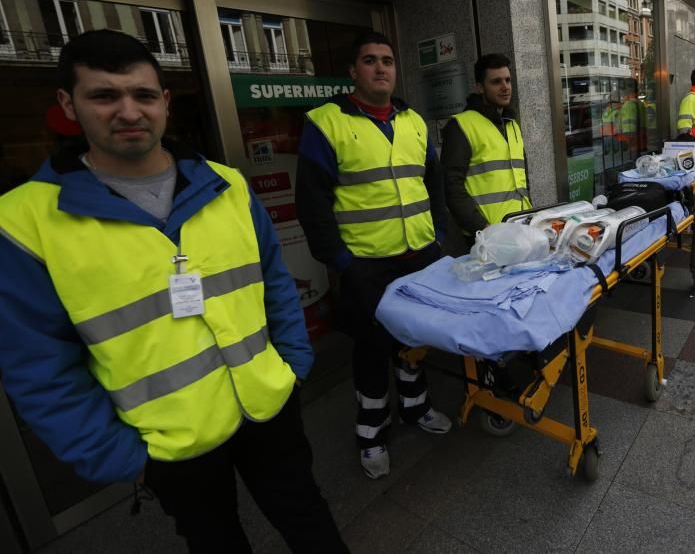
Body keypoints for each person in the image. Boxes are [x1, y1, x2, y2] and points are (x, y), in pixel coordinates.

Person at [0, 30, 345, 553]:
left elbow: (275, 282)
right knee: (215, 542)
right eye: (104, 96)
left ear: (165, 103)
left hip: (268, 404)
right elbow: (38, 366)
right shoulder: (26, 222)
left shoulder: (226, 184)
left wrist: (293, 364)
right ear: (69, 105)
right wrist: (120, 457)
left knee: (309, 521)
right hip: (167, 442)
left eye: (142, 95)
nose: (128, 111)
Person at [296, 31, 451, 481]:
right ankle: (371, 436)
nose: (381, 68)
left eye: (387, 60)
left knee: (413, 341)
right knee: (370, 350)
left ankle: (416, 409)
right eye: (369, 60)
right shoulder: (326, 123)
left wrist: (437, 234)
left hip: (419, 256)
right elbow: (312, 204)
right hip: (365, 264)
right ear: (353, 71)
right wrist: (341, 262)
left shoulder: (415, 122)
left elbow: (433, 185)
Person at [441, 53, 531, 240]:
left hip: (521, 227)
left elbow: (521, 178)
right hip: (487, 235)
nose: (505, 87)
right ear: (480, 87)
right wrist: (483, 228)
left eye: (508, 80)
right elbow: (452, 187)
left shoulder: (511, 124)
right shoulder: (461, 125)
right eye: (496, 82)